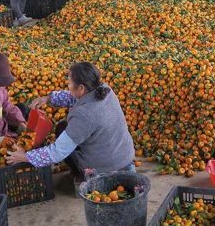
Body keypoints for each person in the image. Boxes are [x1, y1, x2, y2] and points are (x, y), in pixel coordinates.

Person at [7, 62, 135, 180]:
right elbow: (74, 97)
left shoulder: (84, 115)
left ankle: (82, 174)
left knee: (63, 134)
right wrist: (48, 98)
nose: (68, 85)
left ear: (80, 88)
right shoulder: (104, 90)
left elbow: (58, 152)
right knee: (63, 127)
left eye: (69, 82)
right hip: (124, 155)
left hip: (107, 168)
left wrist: (25, 157)